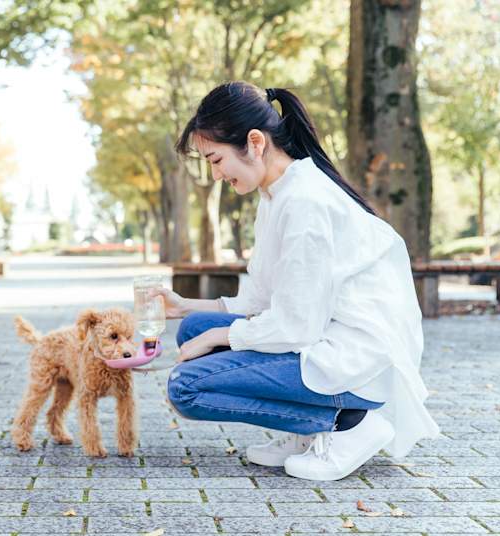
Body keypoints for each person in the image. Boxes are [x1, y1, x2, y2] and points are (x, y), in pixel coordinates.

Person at [153, 81, 440, 481]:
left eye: (216, 160)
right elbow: (260, 297)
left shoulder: (305, 202)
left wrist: (221, 338)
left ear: (255, 143)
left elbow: (295, 325)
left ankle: (347, 425)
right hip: (323, 338)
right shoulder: (276, 195)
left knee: (187, 386)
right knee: (193, 328)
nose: (216, 174)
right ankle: (302, 428)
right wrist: (184, 307)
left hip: (354, 361)